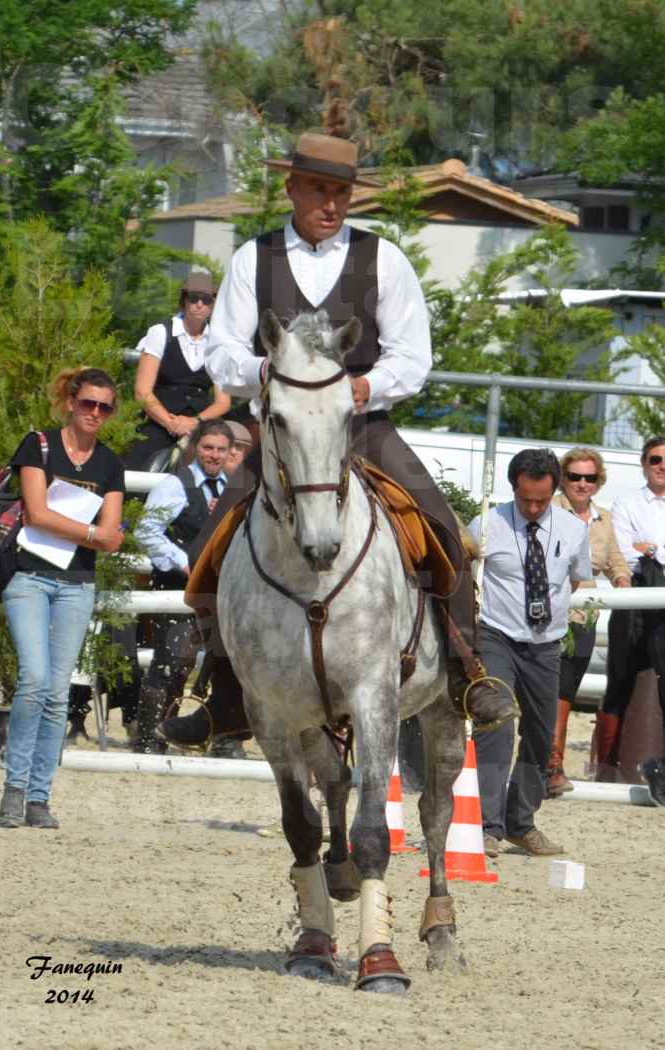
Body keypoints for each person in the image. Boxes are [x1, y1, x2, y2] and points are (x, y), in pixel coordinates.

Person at [156, 131, 516, 752]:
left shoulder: (384, 259)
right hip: (279, 434)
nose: (331, 203)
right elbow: (220, 352)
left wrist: (364, 387)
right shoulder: (254, 258)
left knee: (441, 525)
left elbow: (414, 357)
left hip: (362, 428)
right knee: (212, 542)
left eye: (341, 192)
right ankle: (222, 689)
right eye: (319, 189)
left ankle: (468, 671)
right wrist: (266, 374)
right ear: (292, 188)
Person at [0, 368, 125, 828]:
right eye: (88, 403)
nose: (95, 412)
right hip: (29, 576)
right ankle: (14, 786)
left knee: (56, 691)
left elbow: (114, 539)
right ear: (71, 402)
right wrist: (93, 531)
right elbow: (35, 514)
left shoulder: (109, 463)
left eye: (104, 406)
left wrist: (86, 531)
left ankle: (38, 795)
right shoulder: (39, 445)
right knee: (33, 679)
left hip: (77, 584)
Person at [469, 448, 592, 857]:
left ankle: (521, 822)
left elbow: (576, 581)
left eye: (542, 499)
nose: (534, 507)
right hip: (495, 636)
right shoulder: (486, 525)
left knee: (542, 736)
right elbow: (467, 583)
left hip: (546, 644)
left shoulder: (574, 530)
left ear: (554, 490)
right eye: (526, 500)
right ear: (513, 489)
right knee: (497, 725)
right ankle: (487, 826)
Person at [133, 420, 232, 753]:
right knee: (172, 662)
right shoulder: (175, 485)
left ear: (229, 452)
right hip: (178, 587)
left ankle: (219, 739)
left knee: (223, 665)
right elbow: (146, 530)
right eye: (208, 447)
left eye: (220, 449)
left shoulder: (231, 488)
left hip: (219, 594)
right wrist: (183, 561)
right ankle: (149, 739)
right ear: (195, 448)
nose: (214, 455)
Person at [547, 448, 630, 796]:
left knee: (564, 693)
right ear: (563, 478)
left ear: (599, 482)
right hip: (547, 614)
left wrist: (624, 582)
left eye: (589, 478)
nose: (582, 484)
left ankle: (551, 765)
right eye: (575, 477)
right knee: (548, 693)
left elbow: (616, 561)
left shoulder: (604, 519)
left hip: (584, 617)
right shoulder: (548, 509)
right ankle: (549, 765)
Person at [598, 435, 665, 803]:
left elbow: (643, 550)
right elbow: (624, 551)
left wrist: (652, 549)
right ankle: (605, 765)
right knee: (618, 677)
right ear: (644, 463)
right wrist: (647, 553)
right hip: (635, 593)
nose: (662, 466)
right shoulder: (625, 502)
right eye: (655, 459)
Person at [123, 272, 230, 470]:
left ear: (213, 305)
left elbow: (223, 402)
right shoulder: (160, 332)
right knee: (135, 469)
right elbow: (142, 392)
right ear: (184, 301)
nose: (200, 304)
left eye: (206, 300)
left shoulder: (219, 341)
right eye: (194, 298)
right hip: (159, 422)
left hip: (202, 424)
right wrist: (170, 423)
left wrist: (194, 422)